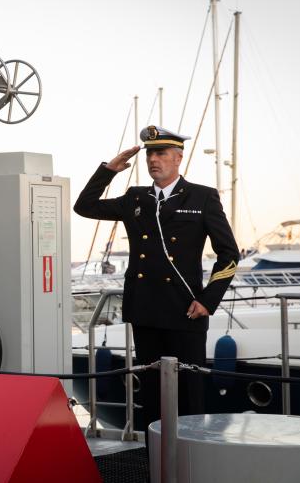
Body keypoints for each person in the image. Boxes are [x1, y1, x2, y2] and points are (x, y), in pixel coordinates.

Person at [73, 125, 239, 437]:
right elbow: (84, 207)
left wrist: (208, 300)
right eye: (150, 153)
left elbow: (229, 255)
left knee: (189, 396)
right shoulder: (136, 198)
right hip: (145, 310)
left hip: (185, 310)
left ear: (178, 158)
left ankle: (191, 464)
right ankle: (154, 464)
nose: (153, 159)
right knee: (152, 397)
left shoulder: (202, 197)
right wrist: (108, 171)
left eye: (161, 153)